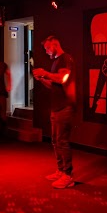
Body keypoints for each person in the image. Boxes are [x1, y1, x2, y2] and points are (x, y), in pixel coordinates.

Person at [33, 35, 76, 189]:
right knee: (56, 141)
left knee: (62, 141)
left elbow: (62, 79)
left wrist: (45, 73)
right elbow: (53, 85)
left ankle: (68, 176)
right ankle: (60, 170)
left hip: (65, 106)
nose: (46, 51)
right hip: (56, 107)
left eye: (47, 48)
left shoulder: (65, 59)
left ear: (55, 45)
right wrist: (42, 79)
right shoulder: (56, 62)